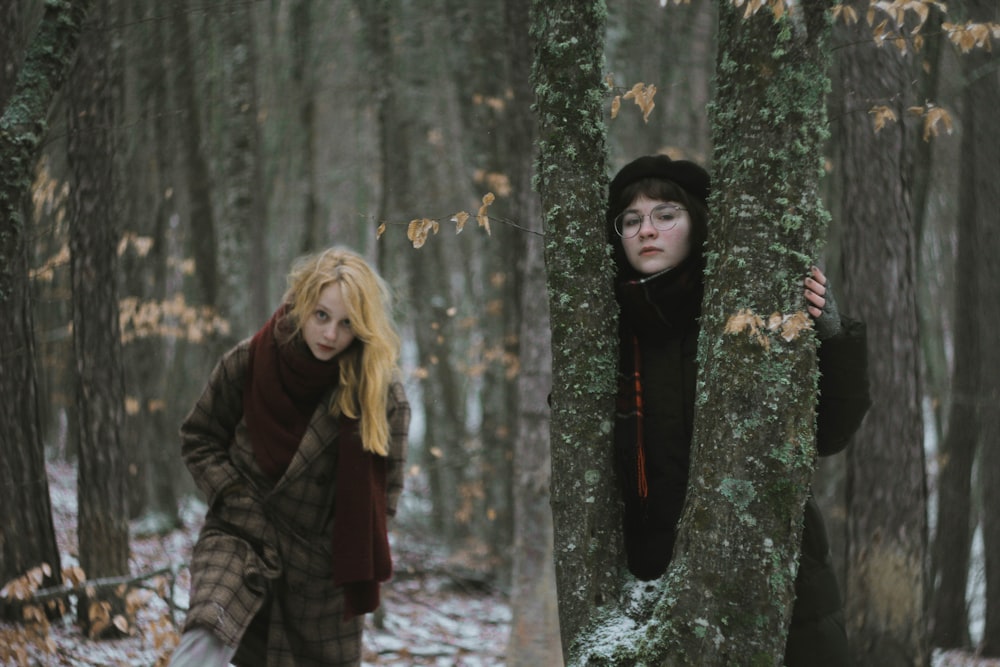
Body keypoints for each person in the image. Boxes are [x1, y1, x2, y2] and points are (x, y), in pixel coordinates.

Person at [606, 155, 870, 667]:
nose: (647, 231)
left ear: (697, 222)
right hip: (651, 579)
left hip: (777, 569)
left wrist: (831, 336)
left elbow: (830, 432)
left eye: (665, 214)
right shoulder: (611, 329)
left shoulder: (742, 310)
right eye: (632, 220)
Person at [169, 246, 409, 667]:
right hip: (240, 536)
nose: (330, 334)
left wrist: (341, 545)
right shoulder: (251, 359)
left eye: (346, 323)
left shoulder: (378, 394)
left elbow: (385, 494)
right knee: (205, 638)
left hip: (320, 573)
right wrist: (234, 495)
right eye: (322, 315)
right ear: (300, 303)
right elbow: (199, 436)